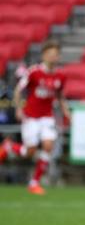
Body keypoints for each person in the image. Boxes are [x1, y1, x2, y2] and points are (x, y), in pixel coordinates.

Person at [0, 40, 70, 195]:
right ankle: (8, 146)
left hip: (47, 117)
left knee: (48, 146)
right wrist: (19, 108)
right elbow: (18, 90)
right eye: (50, 54)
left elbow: (60, 96)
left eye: (56, 55)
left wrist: (66, 112)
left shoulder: (60, 76)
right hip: (31, 116)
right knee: (29, 151)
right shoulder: (33, 72)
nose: (53, 57)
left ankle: (34, 182)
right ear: (44, 55)